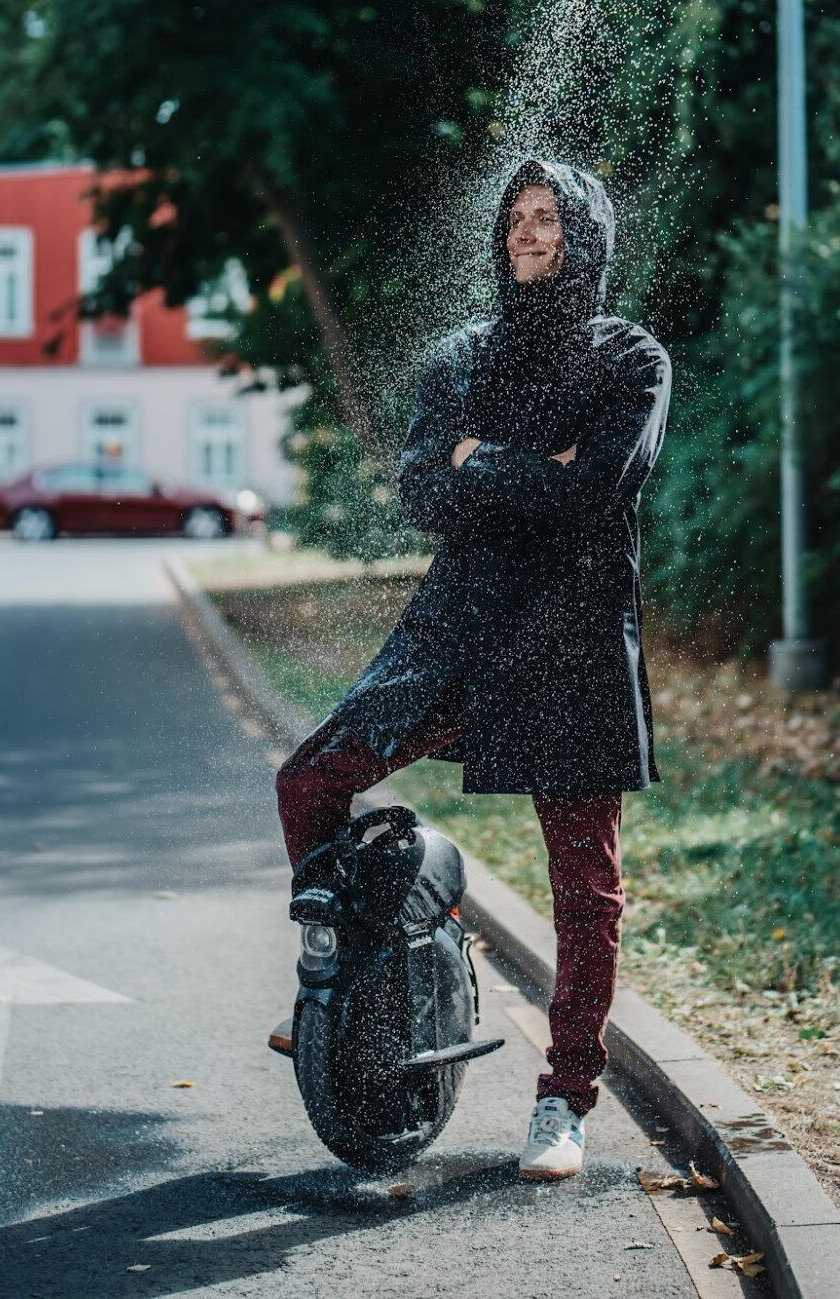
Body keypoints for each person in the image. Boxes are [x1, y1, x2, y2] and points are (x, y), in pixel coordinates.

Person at [273, 157, 672, 1183]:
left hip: (573, 637)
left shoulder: (630, 360)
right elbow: (421, 487)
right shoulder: (459, 357)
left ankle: (564, 1102)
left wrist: (479, 462)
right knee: (310, 780)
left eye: (548, 218)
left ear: (585, 237)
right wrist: (525, 473)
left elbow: (596, 497)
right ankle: (344, 987)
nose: (527, 233)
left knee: (584, 890)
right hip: (457, 628)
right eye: (516, 219)